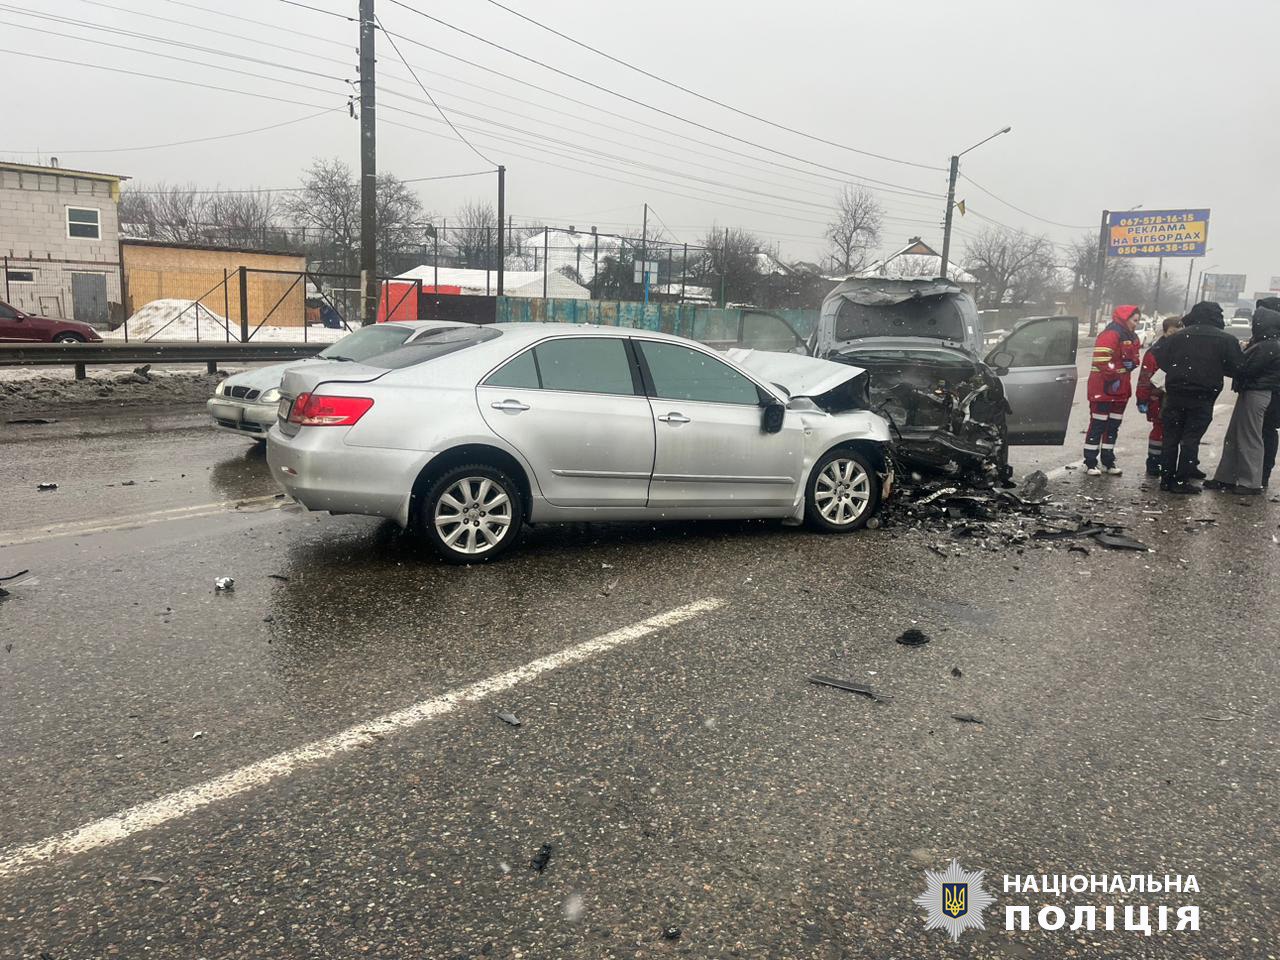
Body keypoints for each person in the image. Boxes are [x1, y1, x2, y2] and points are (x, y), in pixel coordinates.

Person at [1150, 301, 1244, 494]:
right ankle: (1182, 480)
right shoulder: (1226, 340)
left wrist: (1178, 370)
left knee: (1171, 437)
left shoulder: (1178, 337)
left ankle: (1166, 479)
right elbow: (1237, 368)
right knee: (1191, 439)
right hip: (1203, 396)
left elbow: (1161, 359)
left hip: (1175, 394)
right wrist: (1215, 369)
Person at [1203, 302, 1280, 495]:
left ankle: (1249, 482)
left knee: (1249, 437)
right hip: (1255, 390)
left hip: (1258, 392)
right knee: (1236, 435)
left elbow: (1246, 368)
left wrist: (1227, 361)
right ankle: (1227, 477)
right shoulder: (1266, 343)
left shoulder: (1267, 345)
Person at [1083, 305, 1142, 476]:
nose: (1136, 324)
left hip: (1120, 389)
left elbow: (1135, 357)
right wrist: (1114, 375)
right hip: (1103, 388)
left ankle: (1108, 461)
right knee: (1098, 424)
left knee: (1113, 426)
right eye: (1134, 320)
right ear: (1125, 318)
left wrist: (1133, 363)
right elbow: (1101, 359)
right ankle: (1090, 462)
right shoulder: (1111, 334)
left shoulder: (1132, 336)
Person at [1135, 315, 1185, 477]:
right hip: (1158, 398)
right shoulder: (1155, 352)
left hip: (1176, 397)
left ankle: (1166, 462)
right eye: (1172, 332)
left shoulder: (1183, 349)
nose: (1175, 335)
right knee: (1159, 429)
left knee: (1174, 431)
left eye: (1179, 332)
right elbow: (1145, 377)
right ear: (1164, 332)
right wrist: (1142, 398)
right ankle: (1154, 462)